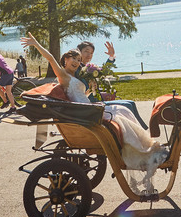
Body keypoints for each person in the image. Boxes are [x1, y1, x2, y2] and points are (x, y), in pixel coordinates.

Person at [21, 33, 166, 178]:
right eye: (74, 59)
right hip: (84, 111)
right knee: (119, 112)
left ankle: (145, 147)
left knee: (122, 110)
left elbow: (80, 93)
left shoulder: (76, 75)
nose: (77, 62)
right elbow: (51, 58)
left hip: (87, 107)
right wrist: (36, 44)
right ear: (65, 60)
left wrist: (93, 88)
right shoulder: (63, 75)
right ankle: (140, 152)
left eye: (78, 60)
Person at [77, 40, 148, 129]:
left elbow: (103, 71)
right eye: (86, 51)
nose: (89, 55)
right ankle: (139, 130)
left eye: (91, 53)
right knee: (128, 105)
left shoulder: (88, 68)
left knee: (131, 103)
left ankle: (142, 129)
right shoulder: (78, 70)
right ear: (79, 52)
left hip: (99, 101)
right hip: (93, 104)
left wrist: (111, 56)